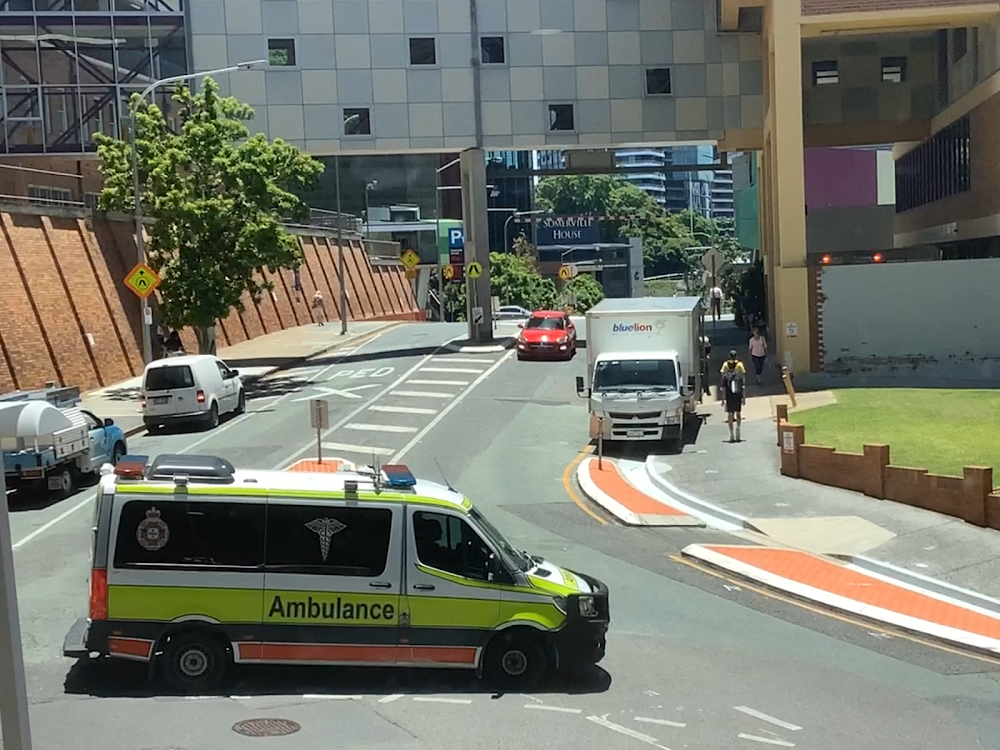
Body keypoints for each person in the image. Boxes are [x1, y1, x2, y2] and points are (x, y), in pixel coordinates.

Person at [720, 349, 746, 443]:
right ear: (736, 356)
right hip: (738, 394)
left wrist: (723, 400)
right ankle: (738, 428)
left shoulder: (725, 365)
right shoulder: (740, 364)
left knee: (730, 415)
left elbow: (722, 375)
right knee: (738, 413)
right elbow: (743, 376)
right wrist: (744, 397)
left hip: (729, 395)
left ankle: (731, 433)